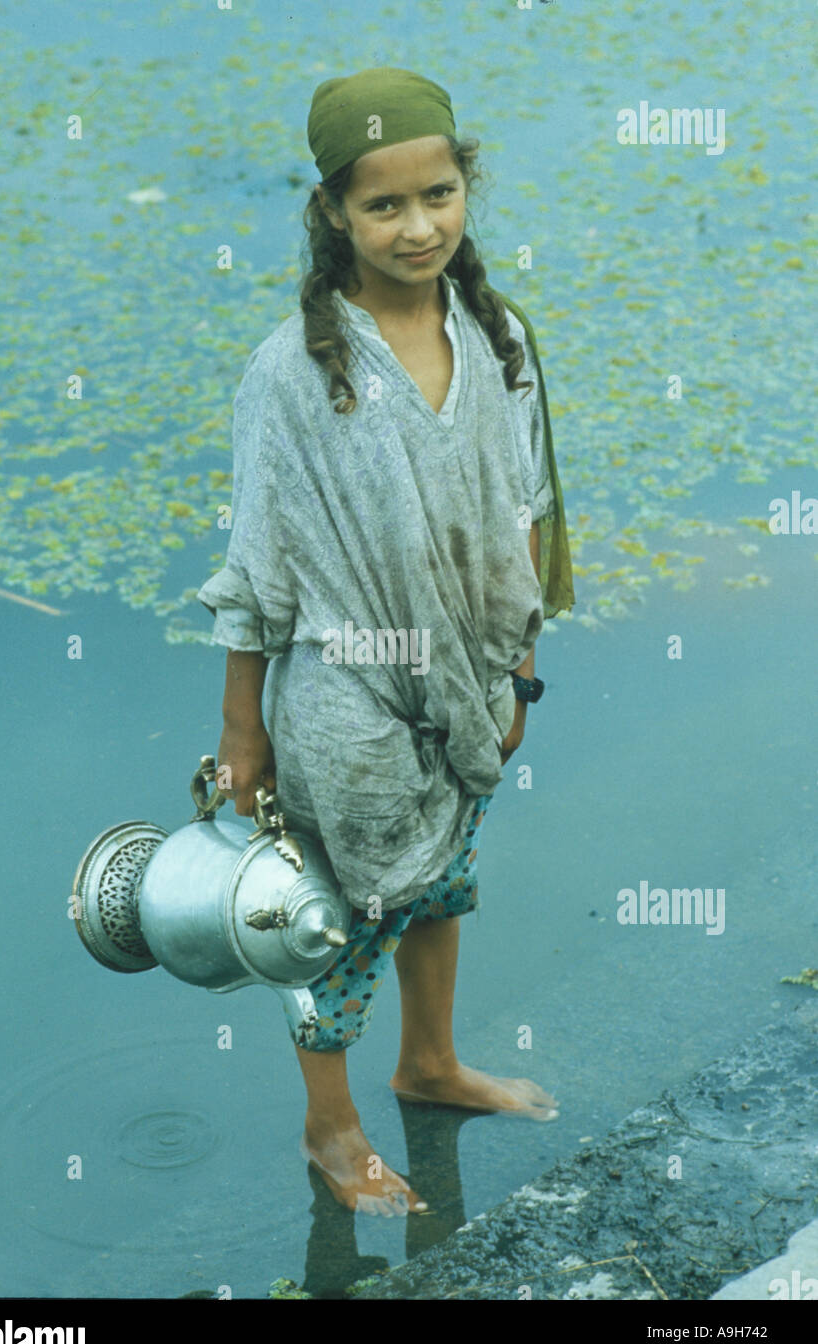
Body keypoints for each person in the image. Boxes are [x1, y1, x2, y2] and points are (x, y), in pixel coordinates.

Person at [197, 67, 575, 1217]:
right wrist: (240, 729)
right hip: (347, 698)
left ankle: (428, 1064)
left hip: (462, 678)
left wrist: (515, 669)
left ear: (466, 187)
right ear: (331, 215)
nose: (417, 226)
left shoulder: (494, 331)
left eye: (437, 194)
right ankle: (330, 1126)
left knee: (444, 883)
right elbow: (257, 567)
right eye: (383, 206)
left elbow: (523, 511)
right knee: (338, 915)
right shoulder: (293, 372)